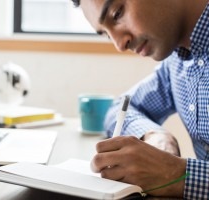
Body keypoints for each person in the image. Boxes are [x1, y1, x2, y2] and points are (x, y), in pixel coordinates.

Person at [71, 0, 209, 199]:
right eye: (106, 34)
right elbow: (119, 108)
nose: (119, 44)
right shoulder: (176, 62)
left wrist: (177, 174)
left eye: (117, 13)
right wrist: (155, 135)